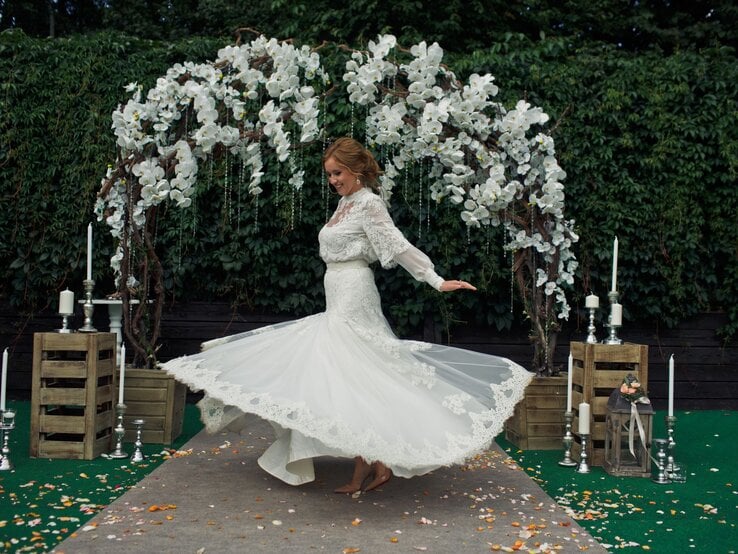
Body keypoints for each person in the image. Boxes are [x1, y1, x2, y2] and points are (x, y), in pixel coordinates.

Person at [161, 137, 532, 494]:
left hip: (354, 292)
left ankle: (371, 463)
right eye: (329, 175)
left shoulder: (370, 204)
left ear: (357, 170)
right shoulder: (346, 204)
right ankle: (371, 462)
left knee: (354, 370)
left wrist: (435, 280)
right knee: (352, 374)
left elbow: (397, 245)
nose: (333, 180)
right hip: (336, 290)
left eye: (338, 173)